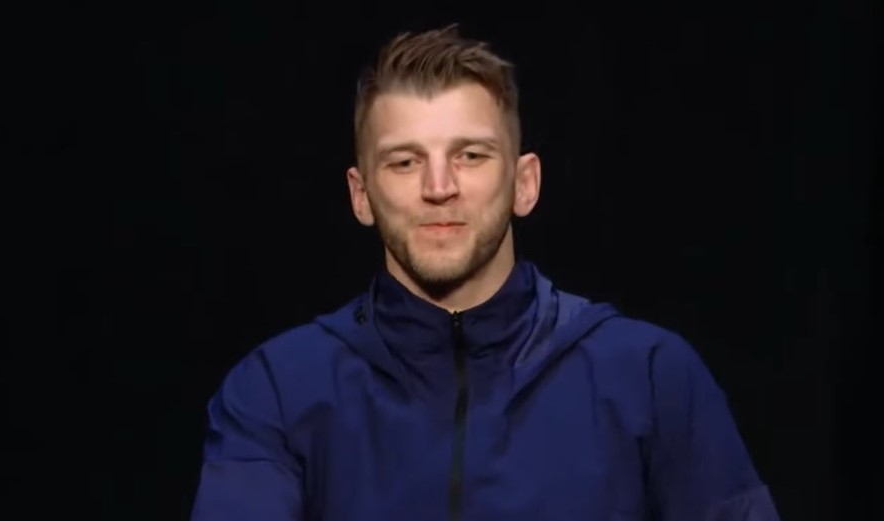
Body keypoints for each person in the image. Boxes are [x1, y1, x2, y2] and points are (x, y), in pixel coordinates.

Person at [189, 23, 781, 521]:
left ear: (525, 183)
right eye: (404, 161)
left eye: (470, 156)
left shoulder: (650, 376)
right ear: (361, 194)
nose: (438, 187)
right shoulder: (277, 388)